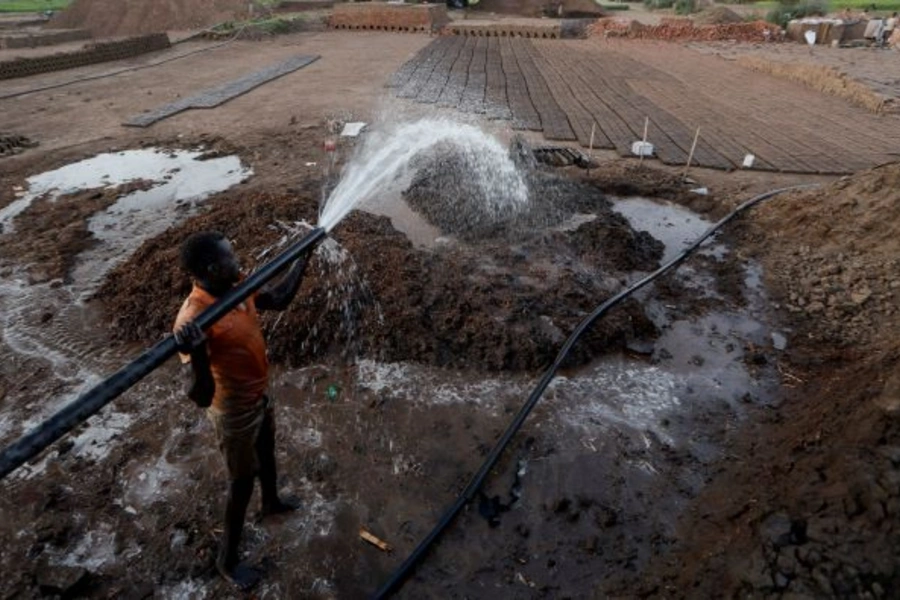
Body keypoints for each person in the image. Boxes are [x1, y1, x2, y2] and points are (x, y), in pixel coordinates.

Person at [173, 231, 316, 590]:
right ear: (210, 268)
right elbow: (200, 396)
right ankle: (227, 560)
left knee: (267, 449)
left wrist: (305, 254)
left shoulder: (236, 287)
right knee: (241, 481)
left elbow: (280, 298)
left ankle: (271, 503)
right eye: (230, 257)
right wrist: (201, 355)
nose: (238, 262)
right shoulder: (194, 319)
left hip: (259, 393)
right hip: (232, 408)